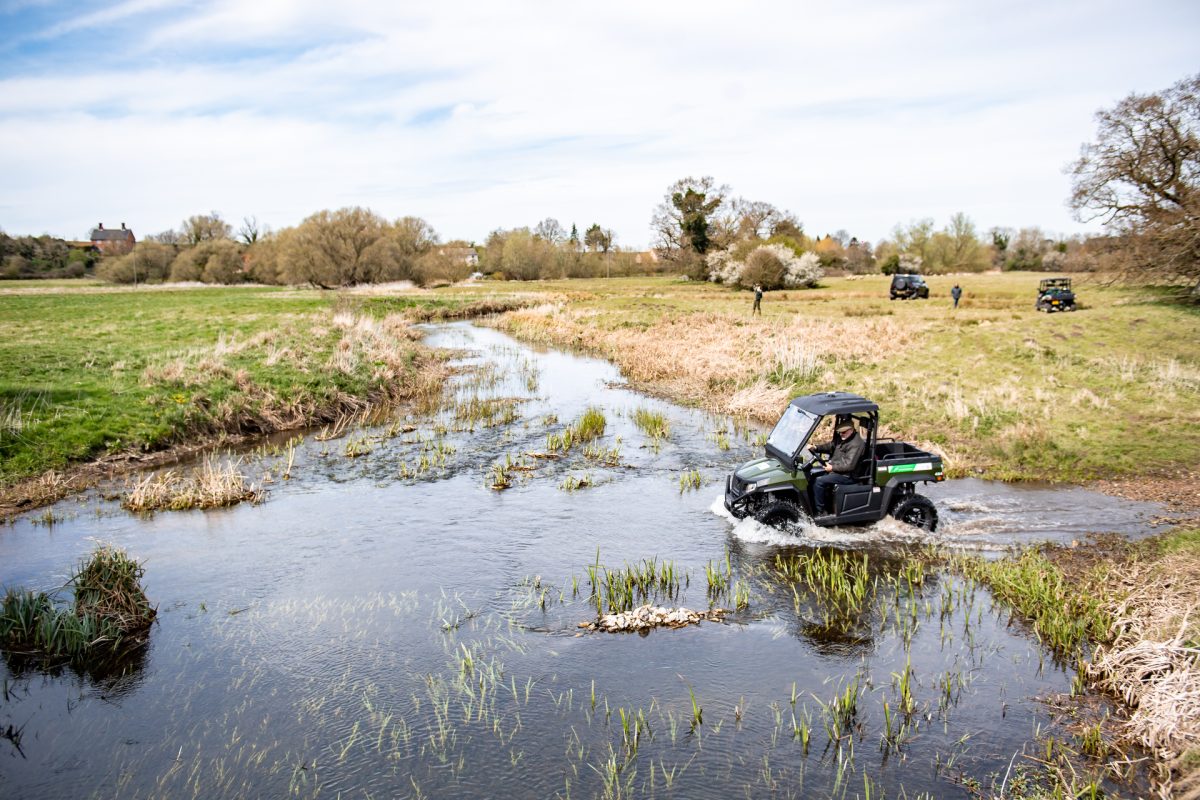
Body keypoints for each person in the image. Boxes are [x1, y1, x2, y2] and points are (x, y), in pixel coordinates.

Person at [811, 418, 866, 517]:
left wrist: (832, 468)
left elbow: (849, 465)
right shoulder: (844, 438)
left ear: (851, 430)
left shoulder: (857, 444)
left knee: (819, 481)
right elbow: (831, 446)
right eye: (840, 433)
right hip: (838, 470)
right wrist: (816, 448)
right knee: (811, 474)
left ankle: (821, 511)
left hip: (848, 476)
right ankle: (815, 504)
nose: (841, 435)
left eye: (843, 432)